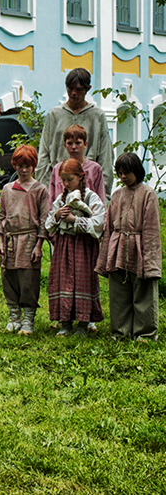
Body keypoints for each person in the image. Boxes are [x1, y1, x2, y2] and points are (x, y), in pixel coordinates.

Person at [96, 153, 160, 341]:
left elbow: (151, 229)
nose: (123, 177)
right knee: (119, 295)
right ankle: (120, 332)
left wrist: (149, 261)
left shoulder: (148, 194)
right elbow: (109, 228)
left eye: (127, 172)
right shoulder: (116, 195)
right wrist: (105, 257)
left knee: (143, 292)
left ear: (137, 171)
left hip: (139, 248)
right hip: (118, 248)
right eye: (120, 173)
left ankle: (144, 333)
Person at [45, 158, 105, 337]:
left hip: (84, 246)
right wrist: (57, 215)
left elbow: (99, 222)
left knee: (83, 280)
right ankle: (65, 322)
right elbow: (49, 223)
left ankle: (83, 323)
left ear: (80, 177)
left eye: (69, 179)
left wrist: (75, 220)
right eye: (63, 180)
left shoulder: (91, 197)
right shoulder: (61, 198)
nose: (65, 183)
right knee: (63, 280)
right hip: (64, 246)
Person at [0, 145, 49, 335]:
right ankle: (14, 316)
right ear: (14, 166)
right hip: (10, 240)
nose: (24, 170)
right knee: (9, 277)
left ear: (33, 166)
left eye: (28, 166)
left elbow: (44, 219)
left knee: (28, 278)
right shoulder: (8, 189)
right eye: (20, 166)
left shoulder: (40, 190)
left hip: (29, 239)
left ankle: (28, 319)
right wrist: (1, 241)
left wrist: (39, 245)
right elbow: (1, 217)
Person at [37, 68, 113, 196]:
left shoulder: (97, 116)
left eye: (78, 89)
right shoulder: (55, 114)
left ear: (88, 89)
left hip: (88, 184)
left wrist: (103, 191)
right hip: (59, 183)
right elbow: (44, 153)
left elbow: (105, 156)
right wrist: (43, 187)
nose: (73, 93)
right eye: (70, 89)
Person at [49, 124, 106, 204]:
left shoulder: (94, 168)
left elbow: (101, 197)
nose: (73, 147)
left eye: (78, 143)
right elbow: (52, 198)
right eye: (70, 143)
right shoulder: (57, 168)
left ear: (85, 144)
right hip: (63, 213)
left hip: (89, 214)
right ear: (65, 145)